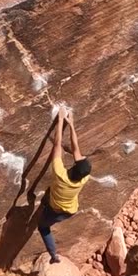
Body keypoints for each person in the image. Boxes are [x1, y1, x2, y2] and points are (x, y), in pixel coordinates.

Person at [37, 106, 91, 263]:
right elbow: (76, 148)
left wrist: (60, 120)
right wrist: (71, 124)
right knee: (50, 198)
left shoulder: (60, 173)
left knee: (43, 227)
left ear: (75, 166)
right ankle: (54, 256)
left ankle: (54, 255)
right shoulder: (83, 179)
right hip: (69, 210)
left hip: (54, 209)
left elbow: (57, 144)